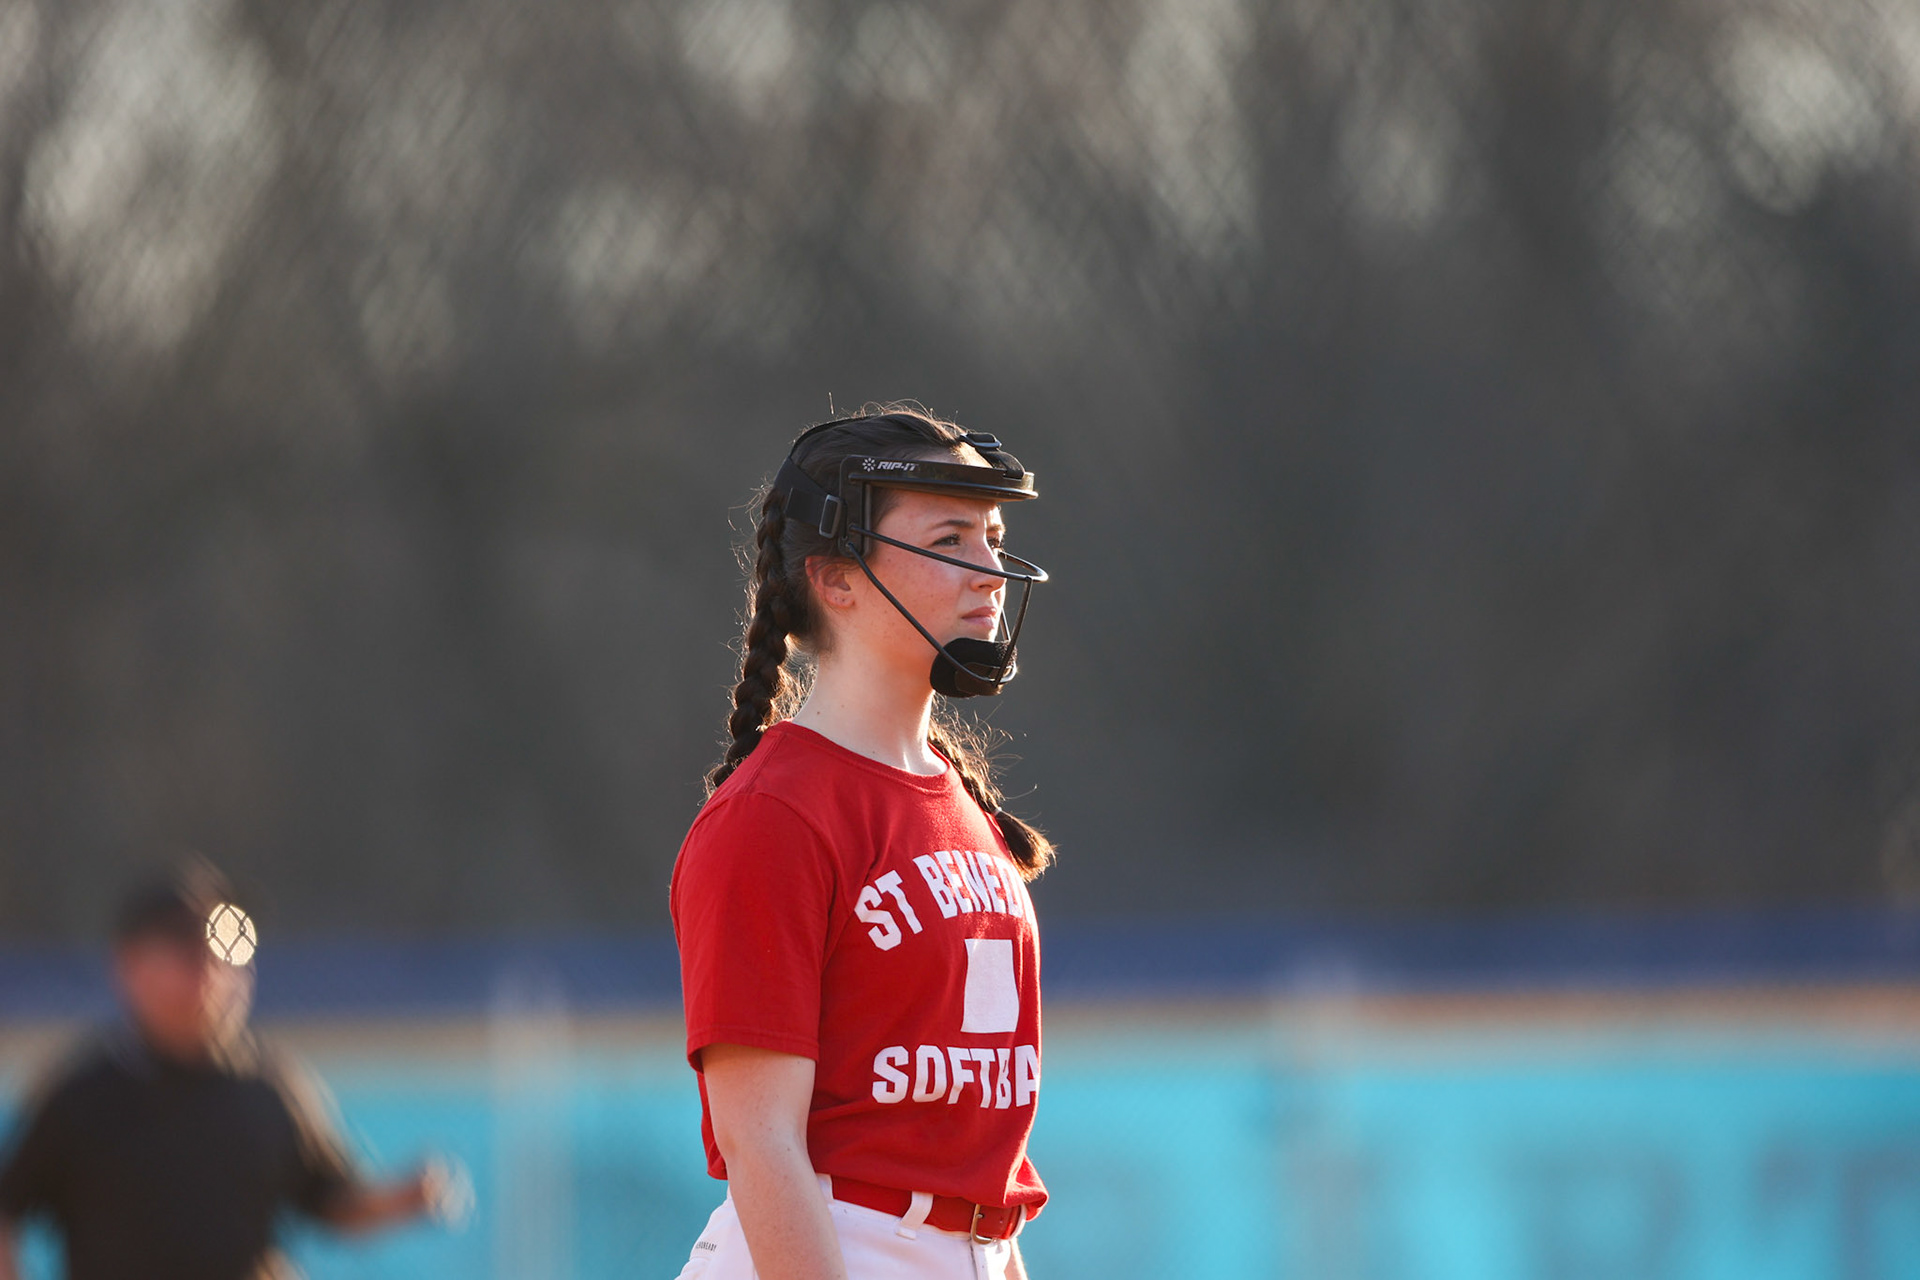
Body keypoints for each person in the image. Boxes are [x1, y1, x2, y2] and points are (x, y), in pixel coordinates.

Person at [671, 406, 1056, 1280]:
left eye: (993, 537)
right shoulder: (772, 815)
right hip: (828, 1248)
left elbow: (980, 1161)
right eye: (952, 538)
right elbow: (762, 1142)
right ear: (836, 580)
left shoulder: (960, 799)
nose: (991, 572)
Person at [0, 863, 464, 1280]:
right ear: (130, 966)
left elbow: (329, 1199)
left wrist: (405, 1198)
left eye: (229, 951)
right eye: (189, 954)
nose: (213, 972)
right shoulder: (84, 1093)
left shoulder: (267, 1087)